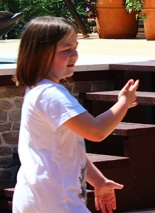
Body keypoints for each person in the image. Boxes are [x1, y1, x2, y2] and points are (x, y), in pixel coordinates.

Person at [12, 16, 139, 213]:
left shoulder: (38, 90)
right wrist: (123, 103)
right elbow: (96, 131)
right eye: (66, 50)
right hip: (55, 199)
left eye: (75, 47)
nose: (75, 54)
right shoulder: (51, 94)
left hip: (36, 195)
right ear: (41, 55)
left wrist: (98, 180)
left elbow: (68, 150)